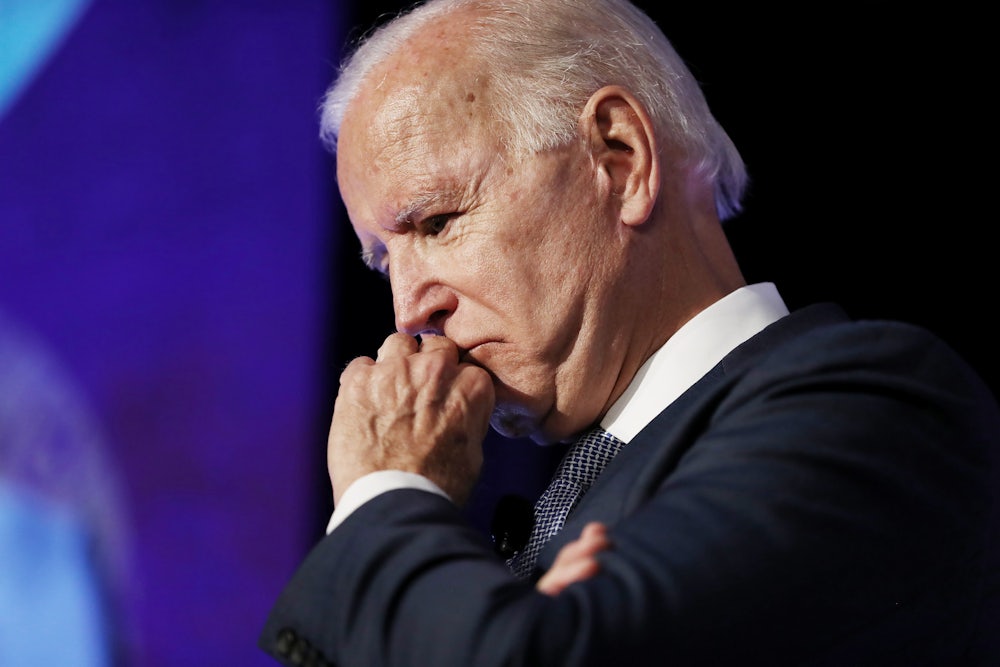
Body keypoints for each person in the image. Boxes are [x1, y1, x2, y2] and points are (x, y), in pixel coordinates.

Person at [259, 0, 1000, 665]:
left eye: (437, 221)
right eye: (385, 258)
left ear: (620, 159)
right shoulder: (565, 503)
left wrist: (388, 489)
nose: (407, 311)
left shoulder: (873, 408)